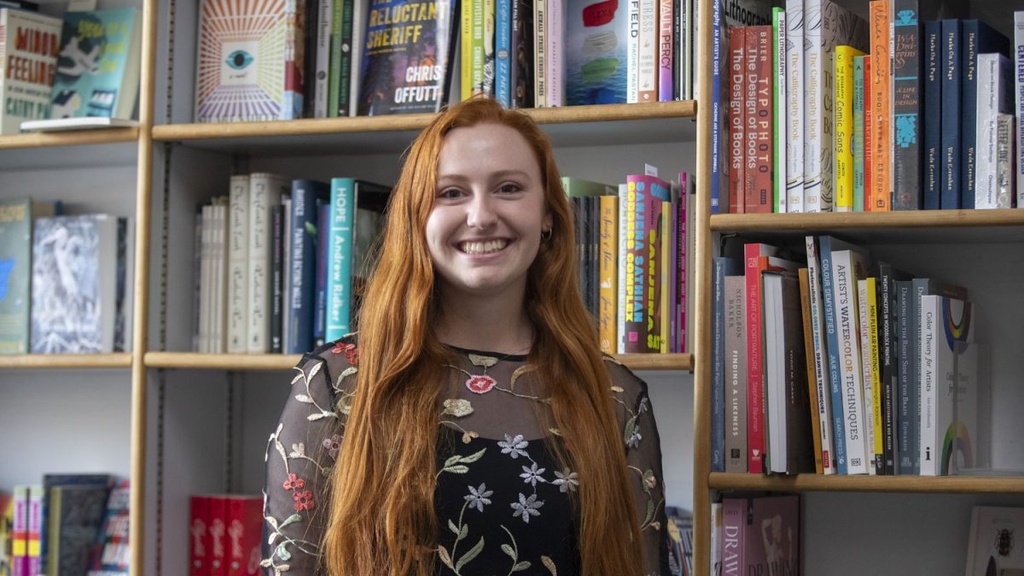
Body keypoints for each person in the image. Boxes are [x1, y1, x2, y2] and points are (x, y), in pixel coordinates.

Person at [261, 96, 669, 576]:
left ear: (547, 214)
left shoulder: (615, 396)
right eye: (452, 193)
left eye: (509, 188)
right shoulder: (335, 384)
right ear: (418, 216)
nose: (481, 216)